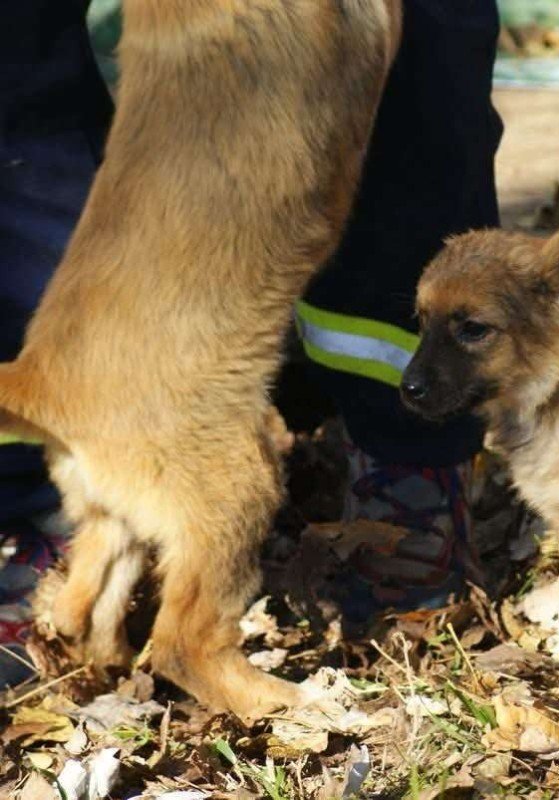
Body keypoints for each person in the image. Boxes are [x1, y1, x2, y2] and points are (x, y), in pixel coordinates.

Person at [0, 0, 503, 685]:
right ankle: (69, 544)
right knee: (19, 63)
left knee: (426, 80)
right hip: (128, 398)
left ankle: (408, 464)